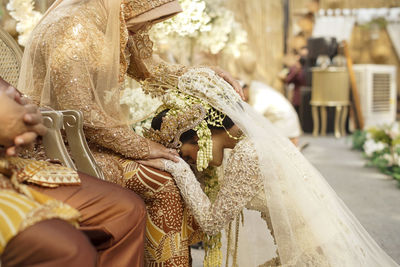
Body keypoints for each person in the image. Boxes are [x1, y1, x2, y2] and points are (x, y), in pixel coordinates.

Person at [18, 0, 243, 265]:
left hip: (90, 141)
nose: (147, 26)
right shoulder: (73, 27)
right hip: (59, 148)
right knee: (165, 182)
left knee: (175, 169)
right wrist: (142, 148)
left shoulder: (114, 17)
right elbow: (82, 112)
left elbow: (152, 70)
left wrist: (205, 76)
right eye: (146, 19)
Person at [140, 67, 399, 266]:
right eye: (187, 161)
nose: (194, 162)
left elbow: (210, 221)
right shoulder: (248, 143)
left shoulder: (247, 153)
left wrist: (174, 166)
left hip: (312, 259)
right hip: (310, 253)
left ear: (200, 135)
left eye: (187, 155)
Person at [0, 78, 146, 267]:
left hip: (10, 162)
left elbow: (12, 97)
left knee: (126, 210)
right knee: (68, 252)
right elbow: (84, 110)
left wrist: (23, 111)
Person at [242, 81, 302, 146]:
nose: (243, 99)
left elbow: (255, 114)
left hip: (284, 124)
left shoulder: (259, 92)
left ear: (244, 89)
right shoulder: (255, 89)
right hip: (282, 122)